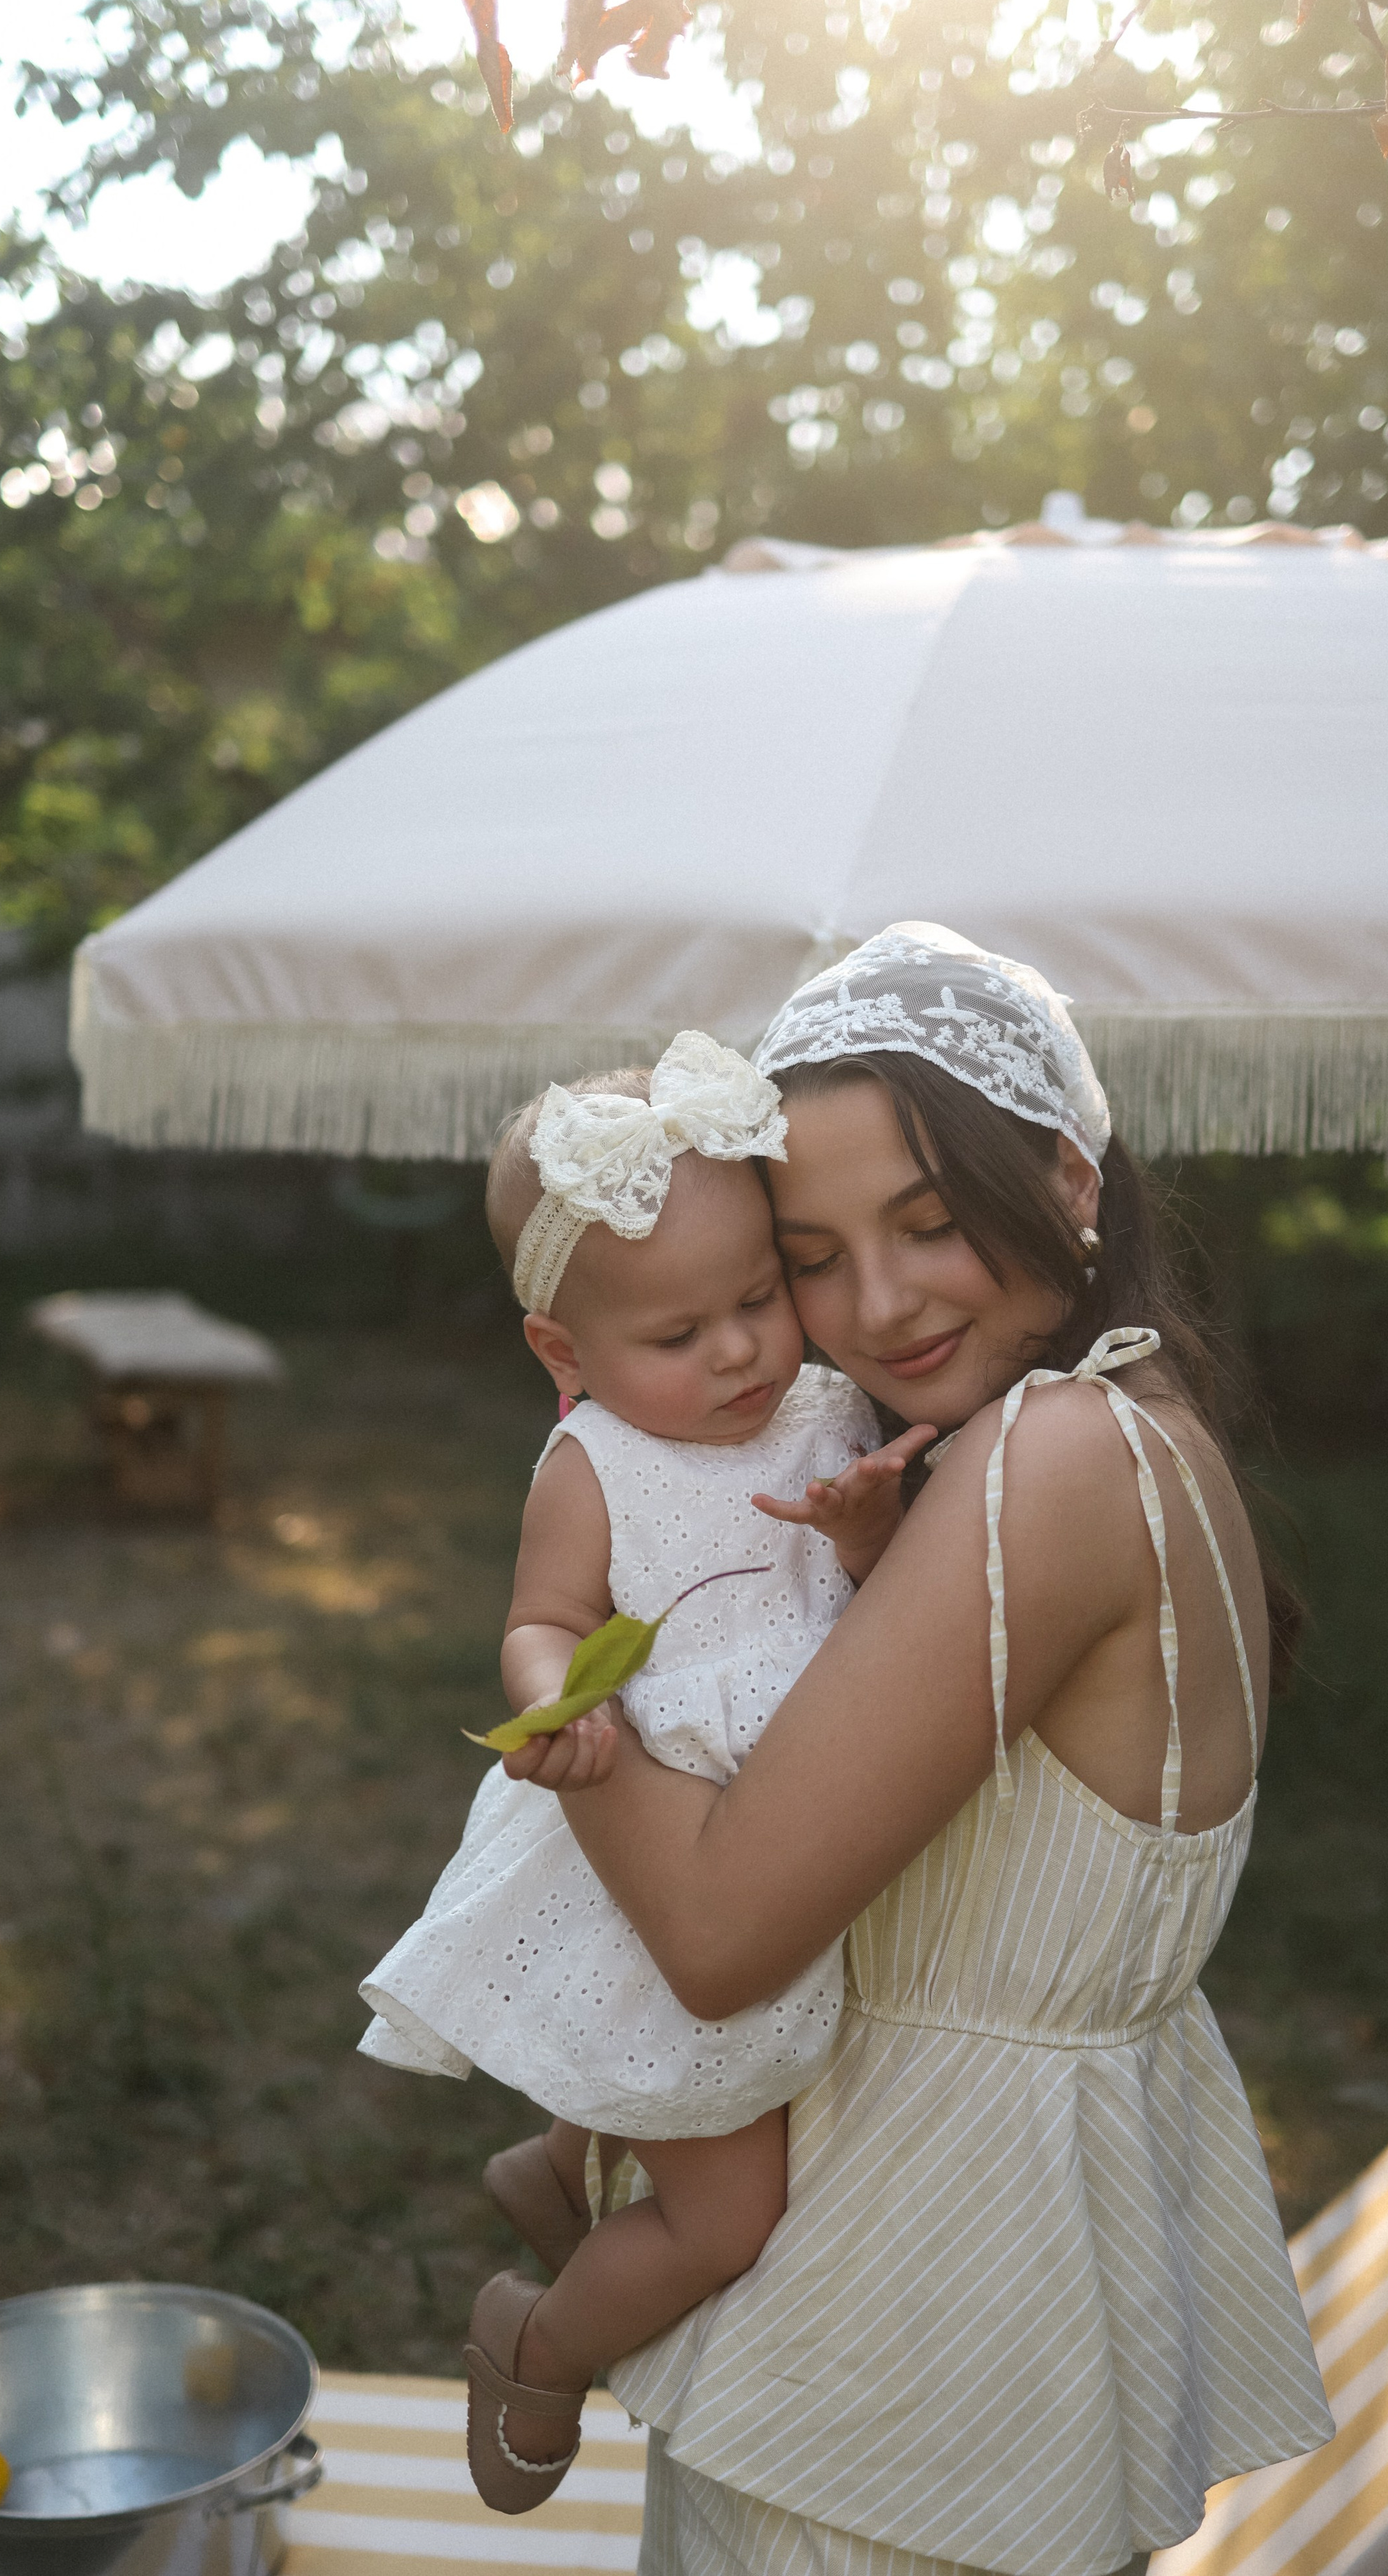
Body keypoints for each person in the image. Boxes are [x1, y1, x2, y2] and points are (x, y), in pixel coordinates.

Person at [498, 924, 1337, 2576]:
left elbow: (720, 1932)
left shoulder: (1057, 1462)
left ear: (1071, 1179)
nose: (871, 1305)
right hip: (967, 2250)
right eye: (808, 1252)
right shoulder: (1117, 1427)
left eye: (931, 1221)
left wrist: (566, 1679)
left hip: (913, 2309)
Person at [357, 1029, 931, 2511]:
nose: (740, 1348)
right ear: (566, 1352)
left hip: (789, 1807)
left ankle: (562, 2166)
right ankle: (535, 2341)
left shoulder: (820, 1409)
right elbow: (539, 1621)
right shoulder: (594, 1462)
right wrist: (557, 1705)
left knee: (659, 2062)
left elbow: (854, 1607)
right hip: (666, 1824)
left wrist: (864, 1537)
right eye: (680, 1334)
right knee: (730, 2207)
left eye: (757, 1297)